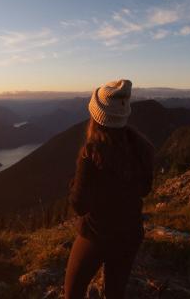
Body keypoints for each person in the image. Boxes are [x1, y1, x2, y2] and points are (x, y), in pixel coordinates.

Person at [64, 79, 154, 299]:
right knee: (115, 292)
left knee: (72, 293)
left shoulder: (91, 154)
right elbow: (144, 189)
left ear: (96, 116)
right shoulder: (141, 147)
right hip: (130, 233)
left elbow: (78, 205)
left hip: (97, 235)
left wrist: (74, 185)